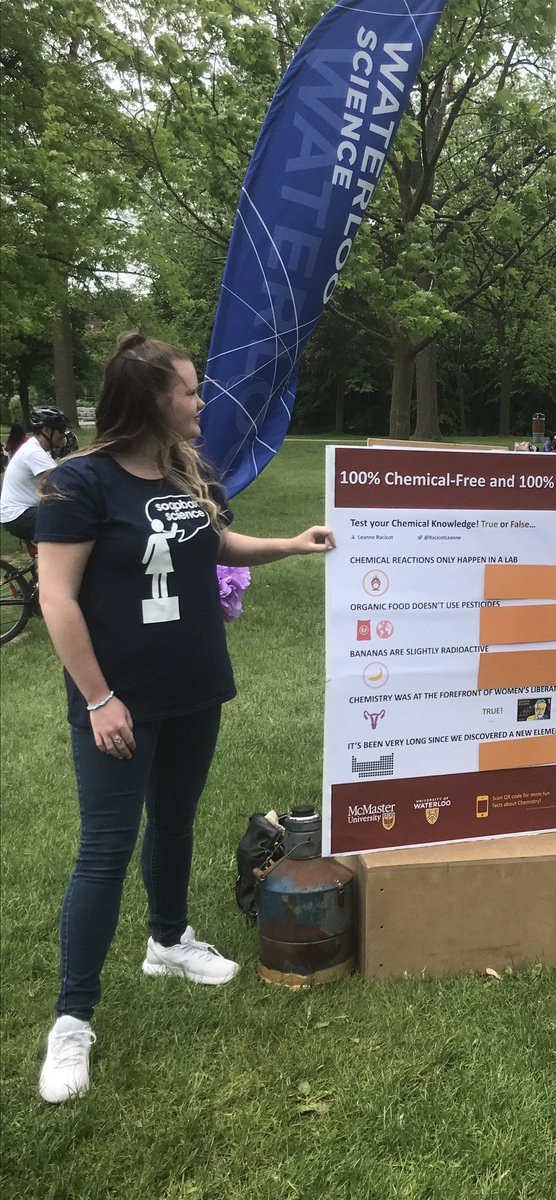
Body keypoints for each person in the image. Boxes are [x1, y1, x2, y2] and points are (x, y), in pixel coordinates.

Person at [33, 333, 335, 1104]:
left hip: (195, 685)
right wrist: (99, 699)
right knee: (105, 848)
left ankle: (167, 941)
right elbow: (56, 598)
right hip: (120, 701)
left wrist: (292, 544)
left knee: (175, 824)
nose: (202, 401)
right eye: (190, 390)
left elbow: (217, 542)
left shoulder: (189, 470)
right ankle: (73, 1020)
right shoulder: (80, 483)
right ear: (151, 400)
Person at [0, 406, 71, 542]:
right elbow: (63, 483)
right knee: (72, 522)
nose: (64, 434)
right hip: (19, 515)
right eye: (61, 430)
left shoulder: (37, 448)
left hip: (20, 511)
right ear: (46, 430)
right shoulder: (34, 452)